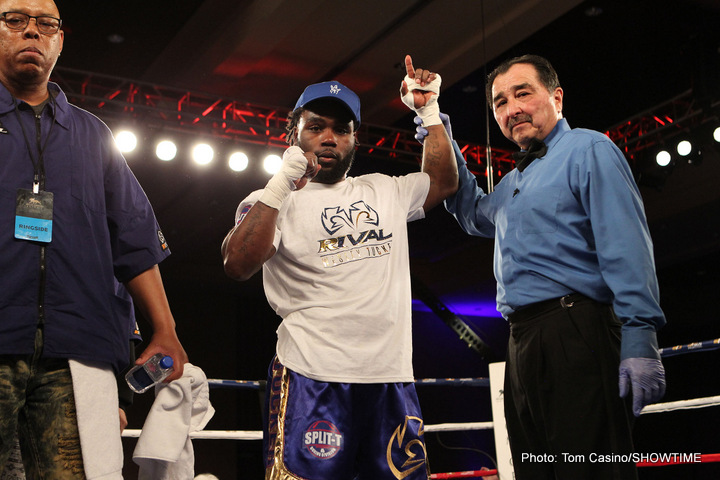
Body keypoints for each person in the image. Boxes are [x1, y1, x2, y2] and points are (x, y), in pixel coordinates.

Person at [421, 55, 666, 479]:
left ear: (556, 97)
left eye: (522, 93)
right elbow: (470, 211)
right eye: (499, 102)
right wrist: (432, 120)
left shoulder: (589, 149)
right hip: (522, 340)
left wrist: (640, 333)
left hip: (577, 331)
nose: (511, 108)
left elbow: (626, 245)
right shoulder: (516, 180)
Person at [222, 55, 457, 479]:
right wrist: (280, 184)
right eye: (316, 127)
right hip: (313, 376)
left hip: (391, 378)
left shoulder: (384, 189)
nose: (329, 138)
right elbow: (237, 264)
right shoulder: (269, 202)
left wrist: (428, 110)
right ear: (293, 134)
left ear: (354, 139)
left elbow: (442, 182)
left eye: (341, 130)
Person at [0, 0, 188, 478]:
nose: (32, 33)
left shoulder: (92, 135)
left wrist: (164, 330)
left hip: (77, 351)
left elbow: (135, 238)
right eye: (15, 20)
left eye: (46, 24)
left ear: (60, 41)